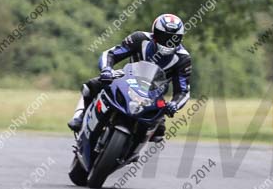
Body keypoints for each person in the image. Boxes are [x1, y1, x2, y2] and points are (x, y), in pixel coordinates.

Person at [67, 13, 192, 142]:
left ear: (180, 39)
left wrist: (174, 104)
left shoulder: (183, 59)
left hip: (154, 94)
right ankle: (80, 116)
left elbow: (183, 91)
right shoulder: (139, 38)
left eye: (173, 38)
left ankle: (134, 149)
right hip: (127, 79)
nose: (168, 42)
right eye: (164, 36)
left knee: (158, 133)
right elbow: (110, 54)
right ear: (154, 34)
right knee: (92, 85)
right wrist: (107, 69)